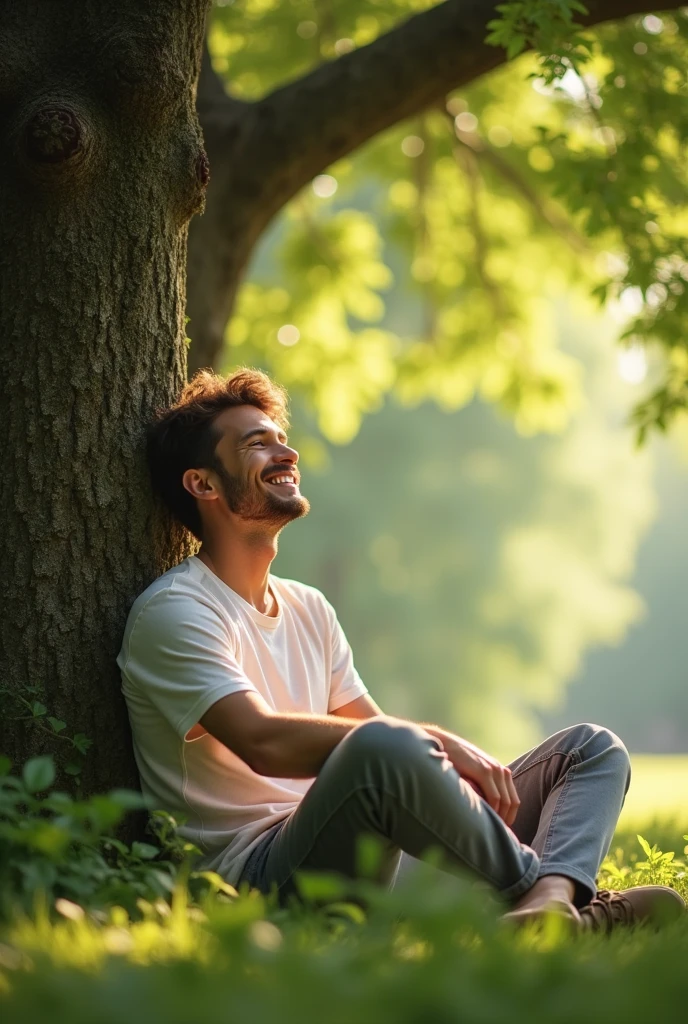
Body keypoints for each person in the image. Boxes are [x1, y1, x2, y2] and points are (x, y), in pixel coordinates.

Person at [118, 368, 684, 932]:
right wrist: (434, 739)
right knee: (388, 745)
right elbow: (263, 741)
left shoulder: (308, 607)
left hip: (368, 850)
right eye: (257, 444)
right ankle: (561, 902)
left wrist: (428, 755)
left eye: (282, 439)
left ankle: (550, 905)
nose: (285, 453)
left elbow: (385, 749)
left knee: (588, 750)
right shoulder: (175, 611)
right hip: (261, 882)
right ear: (203, 484)